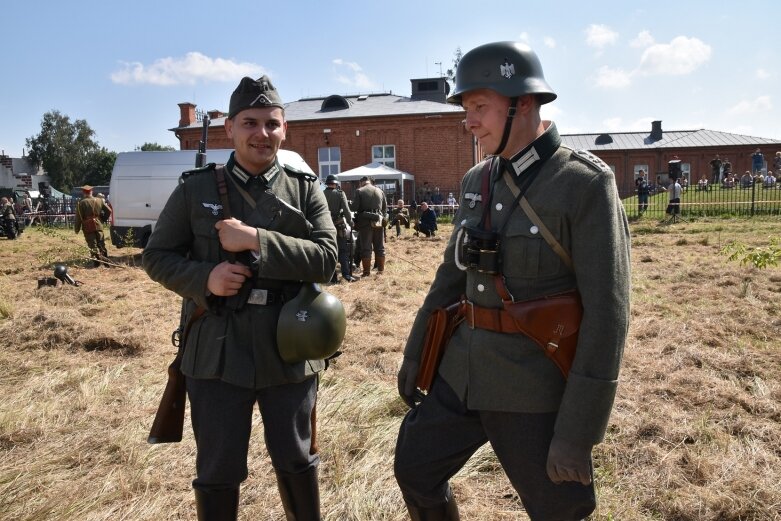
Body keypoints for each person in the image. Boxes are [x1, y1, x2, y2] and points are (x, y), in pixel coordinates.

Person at [394, 41, 631, 520]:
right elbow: (449, 278)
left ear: (522, 103)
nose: (469, 121)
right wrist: (417, 354)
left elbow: (608, 315)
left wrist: (577, 431)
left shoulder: (582, 183)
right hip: (461, 375)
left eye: (479, 106)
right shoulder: (476, 180)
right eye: (466, 108)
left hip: (532, 386)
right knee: (415, 469)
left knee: (559, 509)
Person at [142, 76, 338, 520]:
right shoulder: (196, 189)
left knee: (296, 458)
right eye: (250, 122)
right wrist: (204, 278)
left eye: (272, 124)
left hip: (288, 346)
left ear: (285, 129)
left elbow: (328, 259)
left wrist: (256, 239)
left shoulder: (305, 190)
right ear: (229, 127)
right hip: (216, 350)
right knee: (218, 466)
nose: (262, 134)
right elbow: (155, 256)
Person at [324, 174, 357, 282]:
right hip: (338, 225)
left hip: (325, 225)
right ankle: (346, 275)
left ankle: (332, 278)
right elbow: (347, 211)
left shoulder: (321, 194)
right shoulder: (340, 193)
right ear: (336, 183)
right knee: (342, 250)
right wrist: (350, 222)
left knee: (329, 251)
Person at [352, 175, 387, 276]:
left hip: (365, 222)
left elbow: (354, 207)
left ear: (361, 182)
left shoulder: (359, 191)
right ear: (370, 182)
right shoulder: (380, 191)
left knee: (366, 247)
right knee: (379, 246)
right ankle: (380, 270)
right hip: (379, 221)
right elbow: (384, 208)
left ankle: (366, 272)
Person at [74, 185, 111, 267]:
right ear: (92, 192)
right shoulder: (100, 200)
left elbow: (78, 218)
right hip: (99, 225)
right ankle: (107, 263)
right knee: (101, 244)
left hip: (88, 226)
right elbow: (109, 210)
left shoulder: (81, 203)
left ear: (83, 192)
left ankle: (97, 264)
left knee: (92, 245)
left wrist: (77, 229)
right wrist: (102, 220)